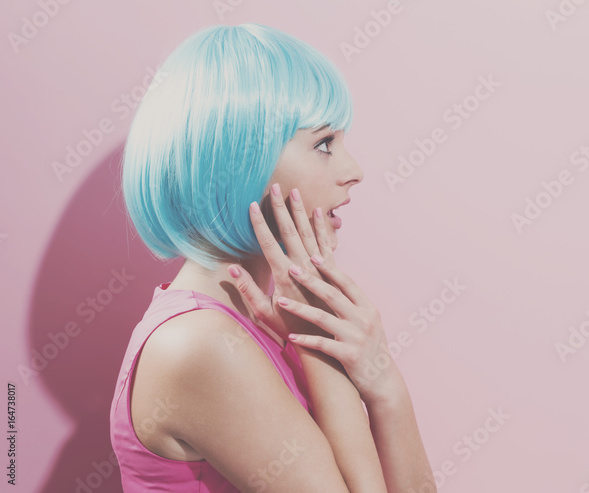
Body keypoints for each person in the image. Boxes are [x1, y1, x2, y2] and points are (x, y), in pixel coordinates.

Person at [110, 23, 435, 492]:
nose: (354, 171)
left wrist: (384, 383)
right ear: (242, 160)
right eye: (324, 144)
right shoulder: (197, 345)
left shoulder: (254, 326)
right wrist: (329, 357)